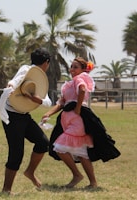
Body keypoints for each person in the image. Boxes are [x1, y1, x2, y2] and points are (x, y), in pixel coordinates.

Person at [42, 57, 120, 189]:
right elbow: (61, 103)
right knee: (81, 153)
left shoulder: (79, 79)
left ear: (83, 69)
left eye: (75, 67)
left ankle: (77, 175)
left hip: (77, 121)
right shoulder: (69, 85)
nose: (72, 69)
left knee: (60, 147)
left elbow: (82, 90)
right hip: (68, 120)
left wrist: (77, 108)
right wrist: (48, 113)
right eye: (71, 66)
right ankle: (93, 183)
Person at [0, 48, 52, 194]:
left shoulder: (40, 79)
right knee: (16, 152)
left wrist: (35, 99)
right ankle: (6, 190)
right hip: (12, 115)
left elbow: (47, 102)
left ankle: (30, 172)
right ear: (46, 63)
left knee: (43, 143)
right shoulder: (26, 70)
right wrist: (11, 86)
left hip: (24, 115)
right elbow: (14, 82)